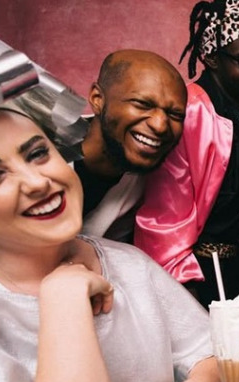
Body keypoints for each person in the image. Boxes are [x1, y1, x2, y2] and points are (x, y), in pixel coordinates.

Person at [0, 109, 220, 382]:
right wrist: (64, 298)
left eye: (37, 153)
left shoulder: (126, 262)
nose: (38, 182)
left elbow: (214, 350)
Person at [135, 0, 239, 308]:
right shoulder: (190, 110)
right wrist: (185, 299)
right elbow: (164, 218)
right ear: (211, 57)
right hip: (190, 275)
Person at [76, 49, 187, 242]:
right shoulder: (36, 153)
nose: (160, 126)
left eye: (175, 115)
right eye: (142, 104)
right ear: (97, 99)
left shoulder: (146, 186)